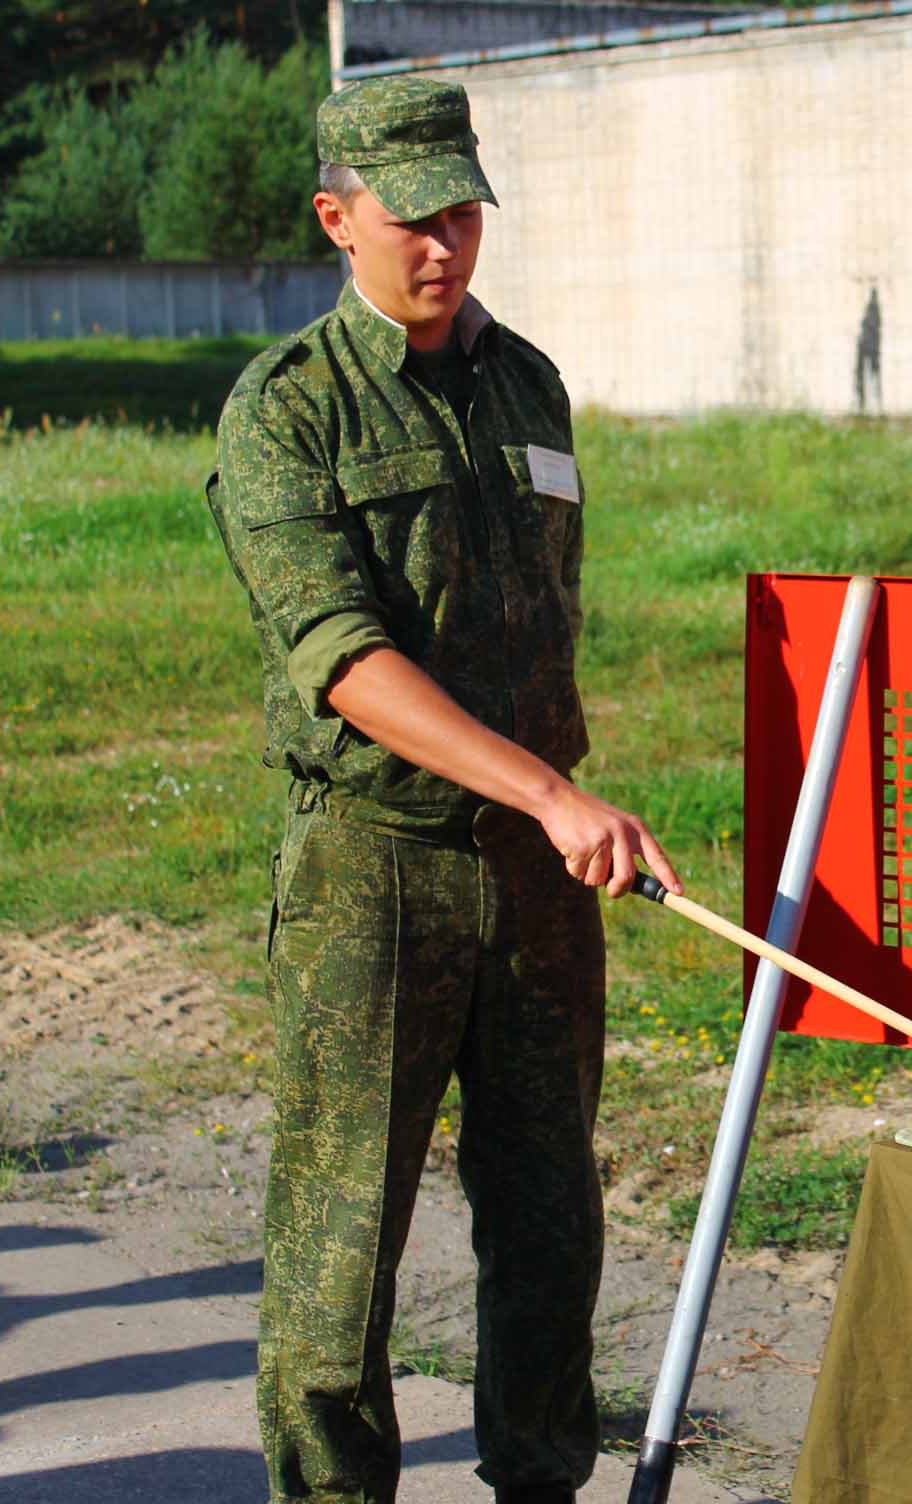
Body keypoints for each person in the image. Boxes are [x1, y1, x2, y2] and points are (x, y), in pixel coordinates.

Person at [205, 75, 680, 1504]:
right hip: (376, 869)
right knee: (342, 1247)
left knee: (549, 1223)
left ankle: (542, 1484)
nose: (445, 246)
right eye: (414, 219)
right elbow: (344, 660)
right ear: (336, 219)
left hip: (538, 881)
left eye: (465, 213)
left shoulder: (526, 382)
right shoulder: (287, 413)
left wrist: (544, 809)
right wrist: (546, 789)